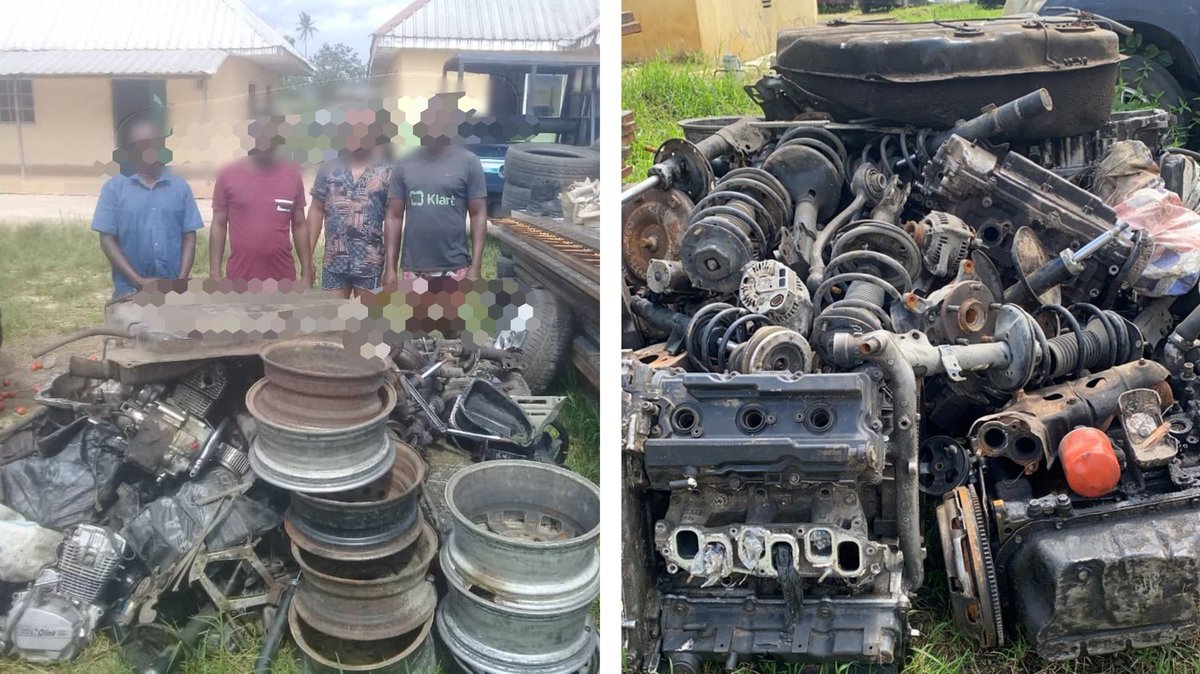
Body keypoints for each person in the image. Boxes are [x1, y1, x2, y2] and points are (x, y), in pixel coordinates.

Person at [91, 118, 204, 299]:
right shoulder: (113, 188)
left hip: (174, 289)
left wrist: (182, 279)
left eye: (155, 144)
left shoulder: (180, 187)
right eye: (141, 145)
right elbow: (107, 240)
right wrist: (137, 280)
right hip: (130, 291)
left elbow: (189, 235)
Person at [383, 96, 487, 284]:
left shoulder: (469, 162)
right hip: (414, 269)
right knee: (415, 315)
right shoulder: (404, 163)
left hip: (455, 268)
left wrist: (476, 266)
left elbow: (478, 214)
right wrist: (389, 268)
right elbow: (394, 216)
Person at [209, 117, 313, 286]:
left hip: (282, 278)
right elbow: (219, 224)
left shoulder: (292, 175)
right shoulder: (228, 175)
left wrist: (307, 273)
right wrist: (215, 274)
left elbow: (300, 225)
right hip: (240, 278)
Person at [307, 119, 393, 297]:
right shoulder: (329, 166)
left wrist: (391, 267)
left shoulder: (387, 170)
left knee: (369, 323)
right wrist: (307, 258)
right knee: (333, 321)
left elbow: (394, 218)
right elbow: (316, 209)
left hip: (370, 264)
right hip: (334, 262)